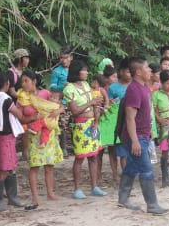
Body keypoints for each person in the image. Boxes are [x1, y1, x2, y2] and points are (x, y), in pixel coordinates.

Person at [117, 58, 169, 214]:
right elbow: (130, 118)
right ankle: (152, 205)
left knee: (132, 167)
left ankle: (123, 198)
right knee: (146, 170)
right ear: (139, 72)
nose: (150, 70)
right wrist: (134, 141)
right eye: (147, 68)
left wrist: (149, 131)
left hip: (143, 135)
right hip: (136, 137)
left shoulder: (144, 88)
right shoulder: (134, 90)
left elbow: (144, 114)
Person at [17, 70, 63, 208]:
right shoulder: (22, 99)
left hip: (48, 132)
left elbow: (60, 104)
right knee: (34, 166)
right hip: (32, 133)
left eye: (26, 81)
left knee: (49, 165)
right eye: (22, 81)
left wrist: (58, 111)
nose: (23, 84)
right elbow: (20, 118)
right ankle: (35, 197)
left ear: (34, 81)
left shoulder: (45, 94)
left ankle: (50, 193)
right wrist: (33, 118)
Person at [62, 60, 107, 199]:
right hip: (80, 125)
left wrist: (97, 118)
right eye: (84, 70)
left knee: (94, 156)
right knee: (80, 157)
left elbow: (95, 105)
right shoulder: (69, 89)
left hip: (92, 123)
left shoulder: (87, 85)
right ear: (77, 71)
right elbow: (74, 111)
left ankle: (94, 186)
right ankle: (77, 188)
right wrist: (91, 102)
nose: (87, 72)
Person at [0, 70, 28, 212]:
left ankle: (11, 197)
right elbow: (20, 116)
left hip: (0, 135)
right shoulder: (6, 99)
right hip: (6, 136)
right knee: (5, 169)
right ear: (7, 83)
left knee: (9, 167)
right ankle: (0, 200)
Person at [98, 62, 128, 183]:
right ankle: (111, 175)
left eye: (116, 76)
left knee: (119, 151)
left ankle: (120, 175)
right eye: (113, 77)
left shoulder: (126, 86)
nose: (115, 79)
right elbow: (106, 105)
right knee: (106, 150)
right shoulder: (106, 89)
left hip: (120, 120)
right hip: (109, 121)